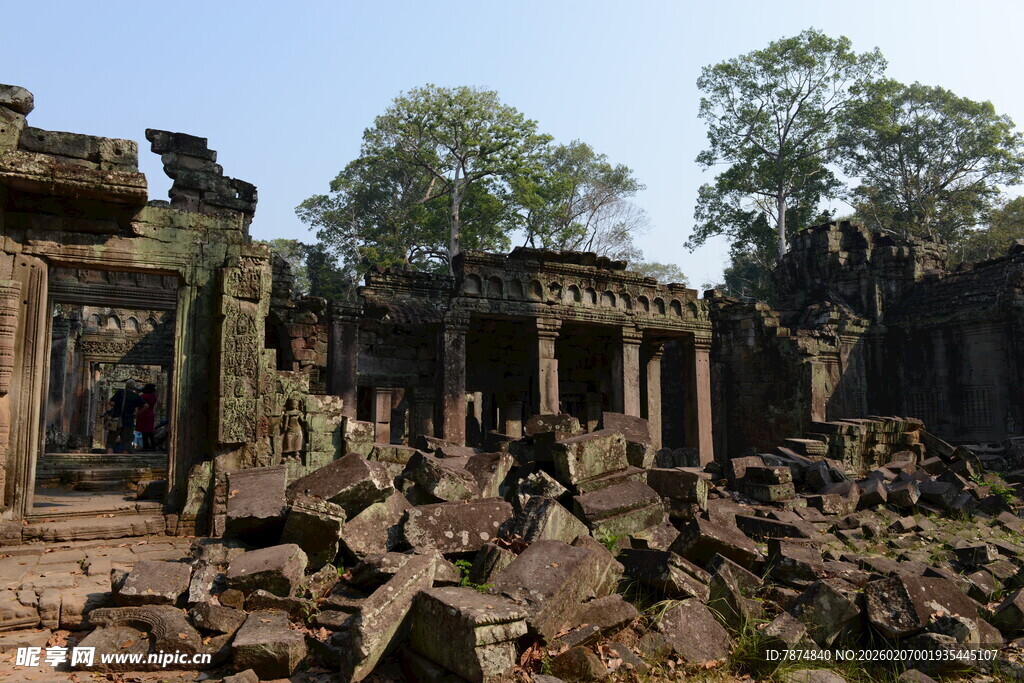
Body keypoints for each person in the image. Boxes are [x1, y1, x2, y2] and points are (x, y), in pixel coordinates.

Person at [104, 380, 145, 454]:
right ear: (134, 387)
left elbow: (111, 403)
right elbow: (146, 405)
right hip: (129, 421)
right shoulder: (135, 396)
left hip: (116, 420)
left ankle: (109, 458)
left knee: (111, 441)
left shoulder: (120, 392)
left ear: (126, 386)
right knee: (126, 443)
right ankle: (124, 461)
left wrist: (117, 406)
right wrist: (137, 414)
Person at [137, 383, 158, 451]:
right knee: (149, 431)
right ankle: (152, 445)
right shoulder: (153, 396)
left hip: (143, 414)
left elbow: (140, 404)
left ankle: (146, 446)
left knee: (144, 431)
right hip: (150, 414)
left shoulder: (143, 396)